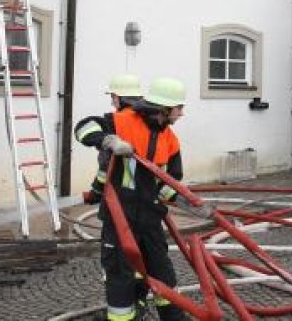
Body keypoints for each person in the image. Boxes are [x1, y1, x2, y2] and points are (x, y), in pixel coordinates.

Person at [75, 76, 199, 321]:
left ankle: (173, 318)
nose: (182, 113)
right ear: (164, 109)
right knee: (121, 276)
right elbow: (83, 128)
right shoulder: (121, 121)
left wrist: (191, 204)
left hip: (151, 220)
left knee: (163, 274)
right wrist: (108, 140)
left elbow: (168, 182)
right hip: (120, 219)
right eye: (179, 107)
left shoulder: (170, 139)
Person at [76, 74, 143, 205]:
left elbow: (82, 128)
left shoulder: (114, 122)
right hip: (147, 200)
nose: (112, 102)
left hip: (119, 200)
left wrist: (96, 192)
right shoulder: (155, 125)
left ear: (120, 98)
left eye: (113, 97)